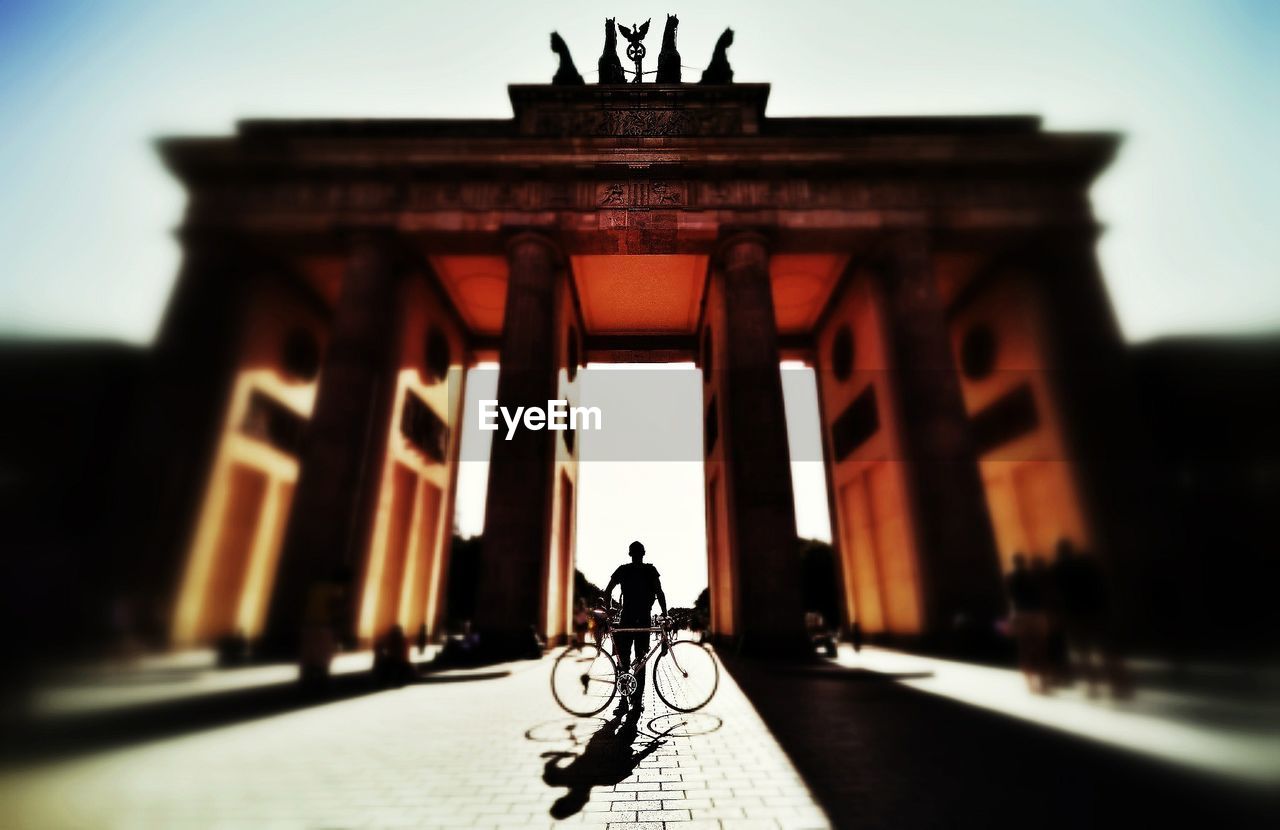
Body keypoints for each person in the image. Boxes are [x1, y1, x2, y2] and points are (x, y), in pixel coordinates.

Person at [603, 540, 667, 715]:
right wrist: (665, 613)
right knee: (641, 660)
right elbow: (660, 592)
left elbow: (607, 590)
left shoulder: (623, 570)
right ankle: (637, 702)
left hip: (627, 619)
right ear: (644, 553)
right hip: (644, 619)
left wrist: (608, 610)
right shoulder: (650, 570)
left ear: (630, 554)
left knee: (624, 661)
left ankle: (623, 700)